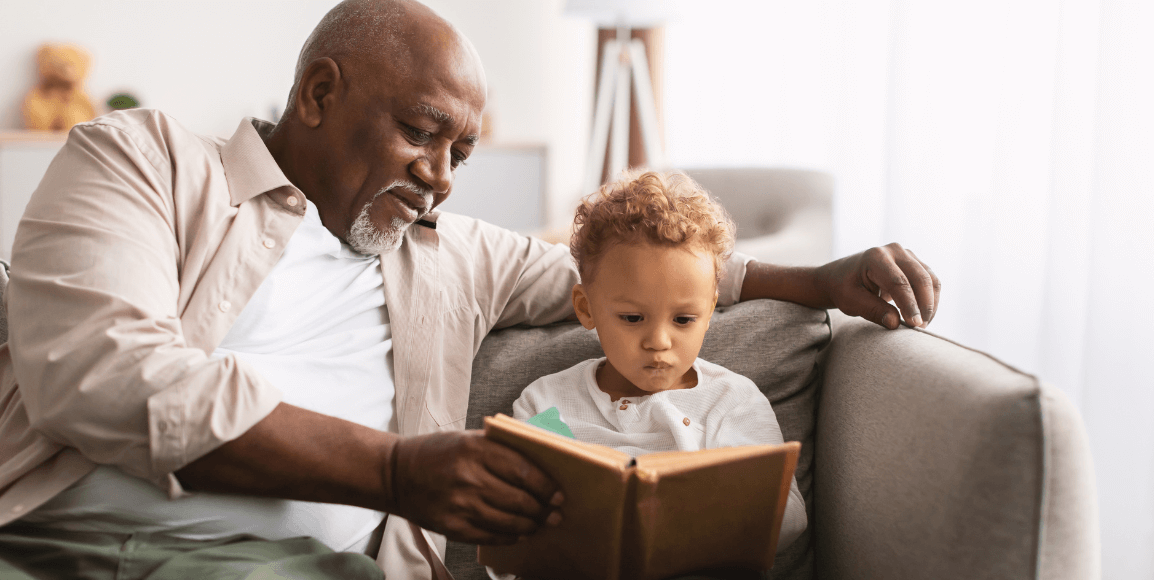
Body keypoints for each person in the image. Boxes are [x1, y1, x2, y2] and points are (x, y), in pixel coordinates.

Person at [0, 0, 941, 578]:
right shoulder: (146, 159)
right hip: (53, 536)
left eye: (461, 153)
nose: (443, 175)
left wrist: (813, 277)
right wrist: (397, 471)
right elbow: (103, 374)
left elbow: (625, 270)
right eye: (422, 132)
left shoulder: (453, 252)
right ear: (320, 94)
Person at [510, 169, 807, 556]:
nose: (658, 342)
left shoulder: (731, 401)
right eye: (633, 319)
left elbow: (789, 520)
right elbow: (514, 530)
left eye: (684, 320)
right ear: (586, 309)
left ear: (710, 312)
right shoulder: (546, 403)